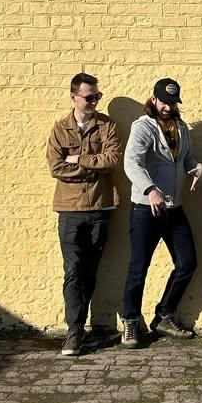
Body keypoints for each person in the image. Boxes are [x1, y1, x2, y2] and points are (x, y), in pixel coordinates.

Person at [121, 78, 202, 347]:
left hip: (174, 208)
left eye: (172, 102)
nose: (168, 107)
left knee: (187, 262)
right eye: (164, 102)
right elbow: (131, 162)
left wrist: (195, 167)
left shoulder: (180, 127)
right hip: (147, 209)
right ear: (154, 99)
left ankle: (164, 315)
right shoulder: (143, 126)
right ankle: (132, 321)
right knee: (138, 267)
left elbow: (184, 158)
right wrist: (150, 189)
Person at [47, 73, 121, 356]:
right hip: (69, 210)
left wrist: (78, 160)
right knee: (73, 270)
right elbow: (56, 167)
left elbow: (112, 160)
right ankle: (74, 331)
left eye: (97, 97)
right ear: (74, 97)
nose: (93, 102)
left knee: (90, 271)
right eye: (89, 97)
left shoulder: (107, 126)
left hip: (100, 208)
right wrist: (93, 167)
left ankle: (84, 328)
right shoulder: (60, 129)